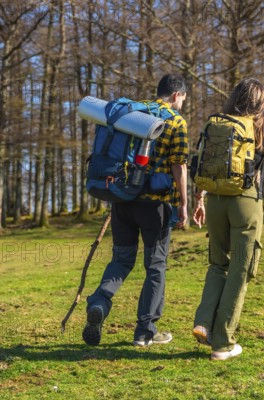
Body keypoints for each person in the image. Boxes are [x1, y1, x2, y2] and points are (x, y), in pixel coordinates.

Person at [82, 73, 189, 347]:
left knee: (121, 260)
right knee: (155, 266)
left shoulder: (132, 113)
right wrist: (184, 203)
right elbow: (179, 165)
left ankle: (99, 303)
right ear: (177, 95)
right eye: (183, 99)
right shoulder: (176, 121)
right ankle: (145, 331)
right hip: (155, 206)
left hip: (123, 202)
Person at [192, 78, 264, 360]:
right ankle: (223, 343)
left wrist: (199, 198)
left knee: (217, 264)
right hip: (246, 202)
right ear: (261, 102)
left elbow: (205, 161)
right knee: (240, 267)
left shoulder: (219, 123)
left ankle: (203, 322)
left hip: (214, 201)